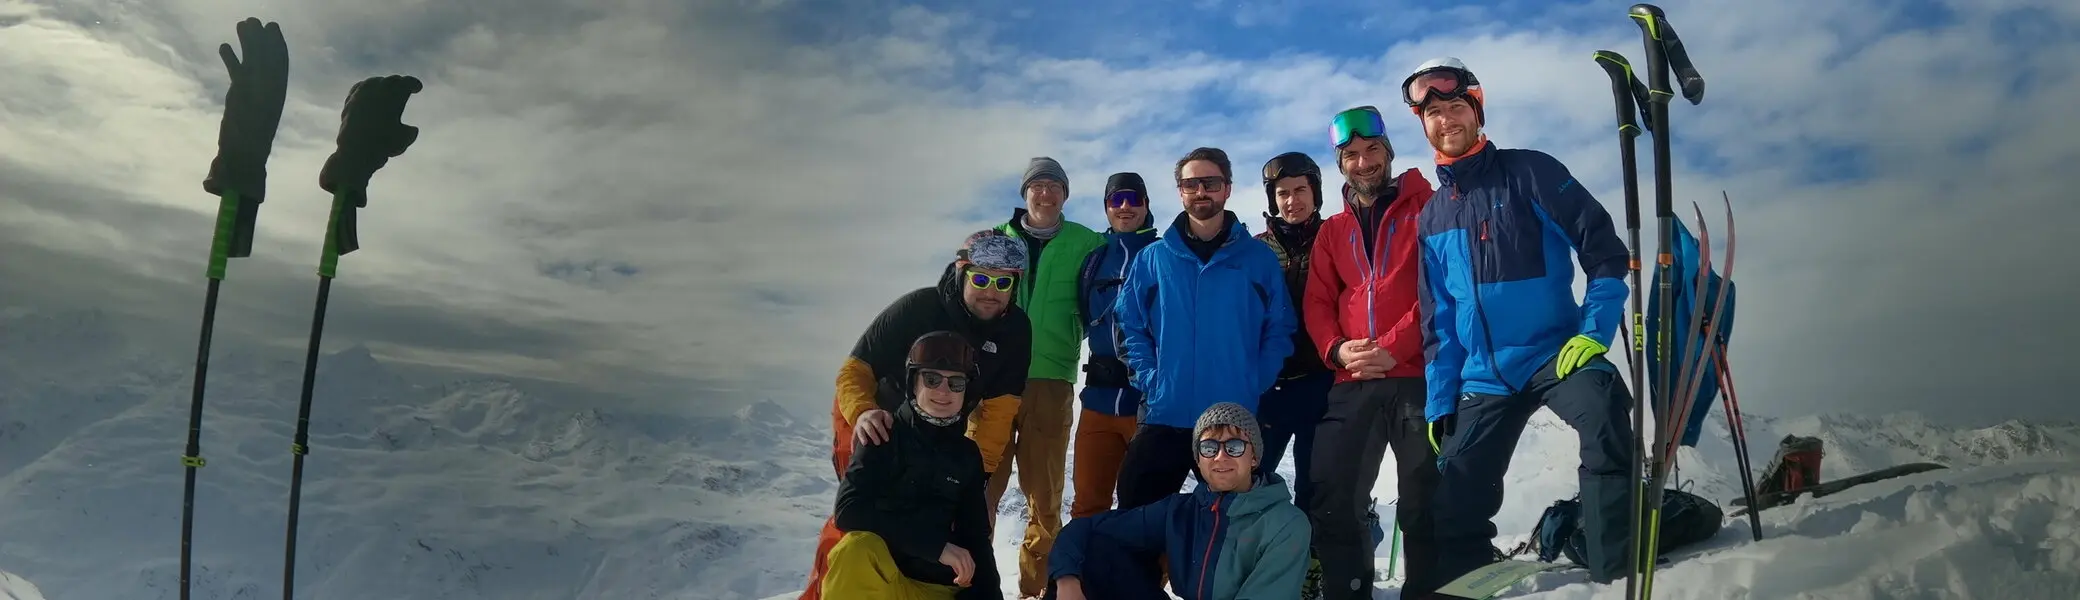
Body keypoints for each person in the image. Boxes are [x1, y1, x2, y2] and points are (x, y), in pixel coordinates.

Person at [1402, 57, 1639, 585]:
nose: (1447, 120)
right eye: (1434, 113)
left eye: (1456, 106)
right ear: (1425, 125)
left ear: (1477, 110)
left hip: (1555, 353)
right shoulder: (1433, 216)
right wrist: (1442, 401)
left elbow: (1604, 254)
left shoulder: (1531, 171)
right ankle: (1470, 587)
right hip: (1485, 378)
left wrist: (1593, 333)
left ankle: (1615, 572)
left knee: (1603, 414)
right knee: (1454, 497)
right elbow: (1439, 322)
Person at [798, 230, 1034, 600]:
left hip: (942, 423)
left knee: (942, 509)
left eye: (1003, 281)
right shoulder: (919, 309)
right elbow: (854, 371)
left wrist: (977, 475)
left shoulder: (1015, 330)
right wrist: (863, 413)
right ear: (961, 273)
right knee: (860, 522)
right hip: (876, 418)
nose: (991, 290)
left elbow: (1000, 409)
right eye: (981, 278)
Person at [1298, 106, 1445, 598]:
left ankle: (1426, 590)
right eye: (1352, 155)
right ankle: (1350, 590)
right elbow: (1317, 300)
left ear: (1388, 153)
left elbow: (1440, 287)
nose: (1363, 163)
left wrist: (1394, 345)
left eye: (1372, 151)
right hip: (1352, 379)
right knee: (1333, 494)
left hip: (1418, 374)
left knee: (1425, 496)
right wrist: (1337, 350)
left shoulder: (1429, 207)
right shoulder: (1332, 231)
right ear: (1340, 165)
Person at [1112, 147, 1296, 511]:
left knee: (1231, 529)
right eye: (1190, 183)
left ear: (1227, 188)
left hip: (1232, 421)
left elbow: (1280, 328)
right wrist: (1153, 380)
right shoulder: (1154, 258)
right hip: (1165, 412)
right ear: (1180, 191)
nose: (1201, 191)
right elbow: (1128, 324)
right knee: (1136, 521)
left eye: (1210, 183)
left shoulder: (1258, 259)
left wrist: (1252, 381)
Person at [1044, 403, 1310, 600]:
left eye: (1235, 446)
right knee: (1095, 552)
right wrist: (1068, 582)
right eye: (1209, 448)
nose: (1220, 457)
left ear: (1254, 457)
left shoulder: (1285, 525)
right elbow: (1085, 529)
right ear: (1198, 459)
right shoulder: (1181, 511)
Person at [988, 156, 1106, 598]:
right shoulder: (995, 240)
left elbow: (1129, 253)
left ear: (1065, 195)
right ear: (1024, 194)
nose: (1045, 193)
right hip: (992, 380)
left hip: (1052, 380)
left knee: (1045, 497)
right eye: (1037, 185)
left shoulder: (1087, 241)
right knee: (979, 491)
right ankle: (971, 585)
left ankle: (1034, 591)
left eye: (1054, 186)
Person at [822, 331, 1003, 600]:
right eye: (932, 379)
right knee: (855, 549)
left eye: (956, 383)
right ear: (913, 384)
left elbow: (976, 536)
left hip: (939, 588)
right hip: (882, 583)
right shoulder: (882, 433)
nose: (944, 391)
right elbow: (849, 510)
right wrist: (935, 547)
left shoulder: (966, 455)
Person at [1068, 172, 1159, 521]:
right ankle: (1081, 577)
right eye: (1116, 199)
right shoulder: (1094, 258)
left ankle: (1148, 578)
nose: (1124, 207)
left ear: (1146, 205)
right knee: (1088, 507)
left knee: (1146, 510)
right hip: (1098, 404)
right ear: (1106, 207)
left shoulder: (1163, 254)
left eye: (1133, 199)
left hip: (1148, 406)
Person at [1251, 152, 1336, 511]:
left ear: (1315, 193)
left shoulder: (1335, 237)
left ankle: (1314, 558)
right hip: (1271, 387)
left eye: (1300, 190)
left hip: (1322, 382)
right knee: (1252, 478)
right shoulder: (1255, 250)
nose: (1292, 201)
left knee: (1315, 482)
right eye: (1282, 193)